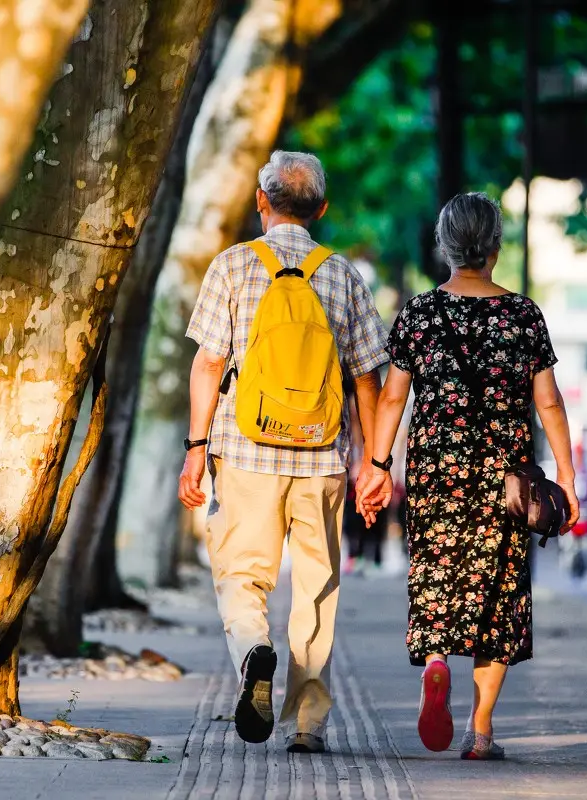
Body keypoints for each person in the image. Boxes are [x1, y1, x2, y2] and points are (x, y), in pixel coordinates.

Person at [177, 150, 387, 754]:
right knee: (316, 585)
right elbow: (367, 378)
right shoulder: (343, 274)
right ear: (321, 209)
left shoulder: (234, 266)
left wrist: (196, 450)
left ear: (262, 201)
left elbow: (209, 363)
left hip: (245, 453)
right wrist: (374, 463)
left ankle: (252, 652)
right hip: (321, 458)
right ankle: (308, 722)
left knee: (243, 576)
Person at [357, 192, 580, 760]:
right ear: (496, 247)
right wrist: (567, 476)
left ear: (444, 246)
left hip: (437, 471)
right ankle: (481, 731)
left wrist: (377, 467)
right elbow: (549, 404)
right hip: (507, 478)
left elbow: (392, 400)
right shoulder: (524, 315)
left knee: (435, 576)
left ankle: (436, 663)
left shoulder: (420, 313)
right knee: (499, 596)